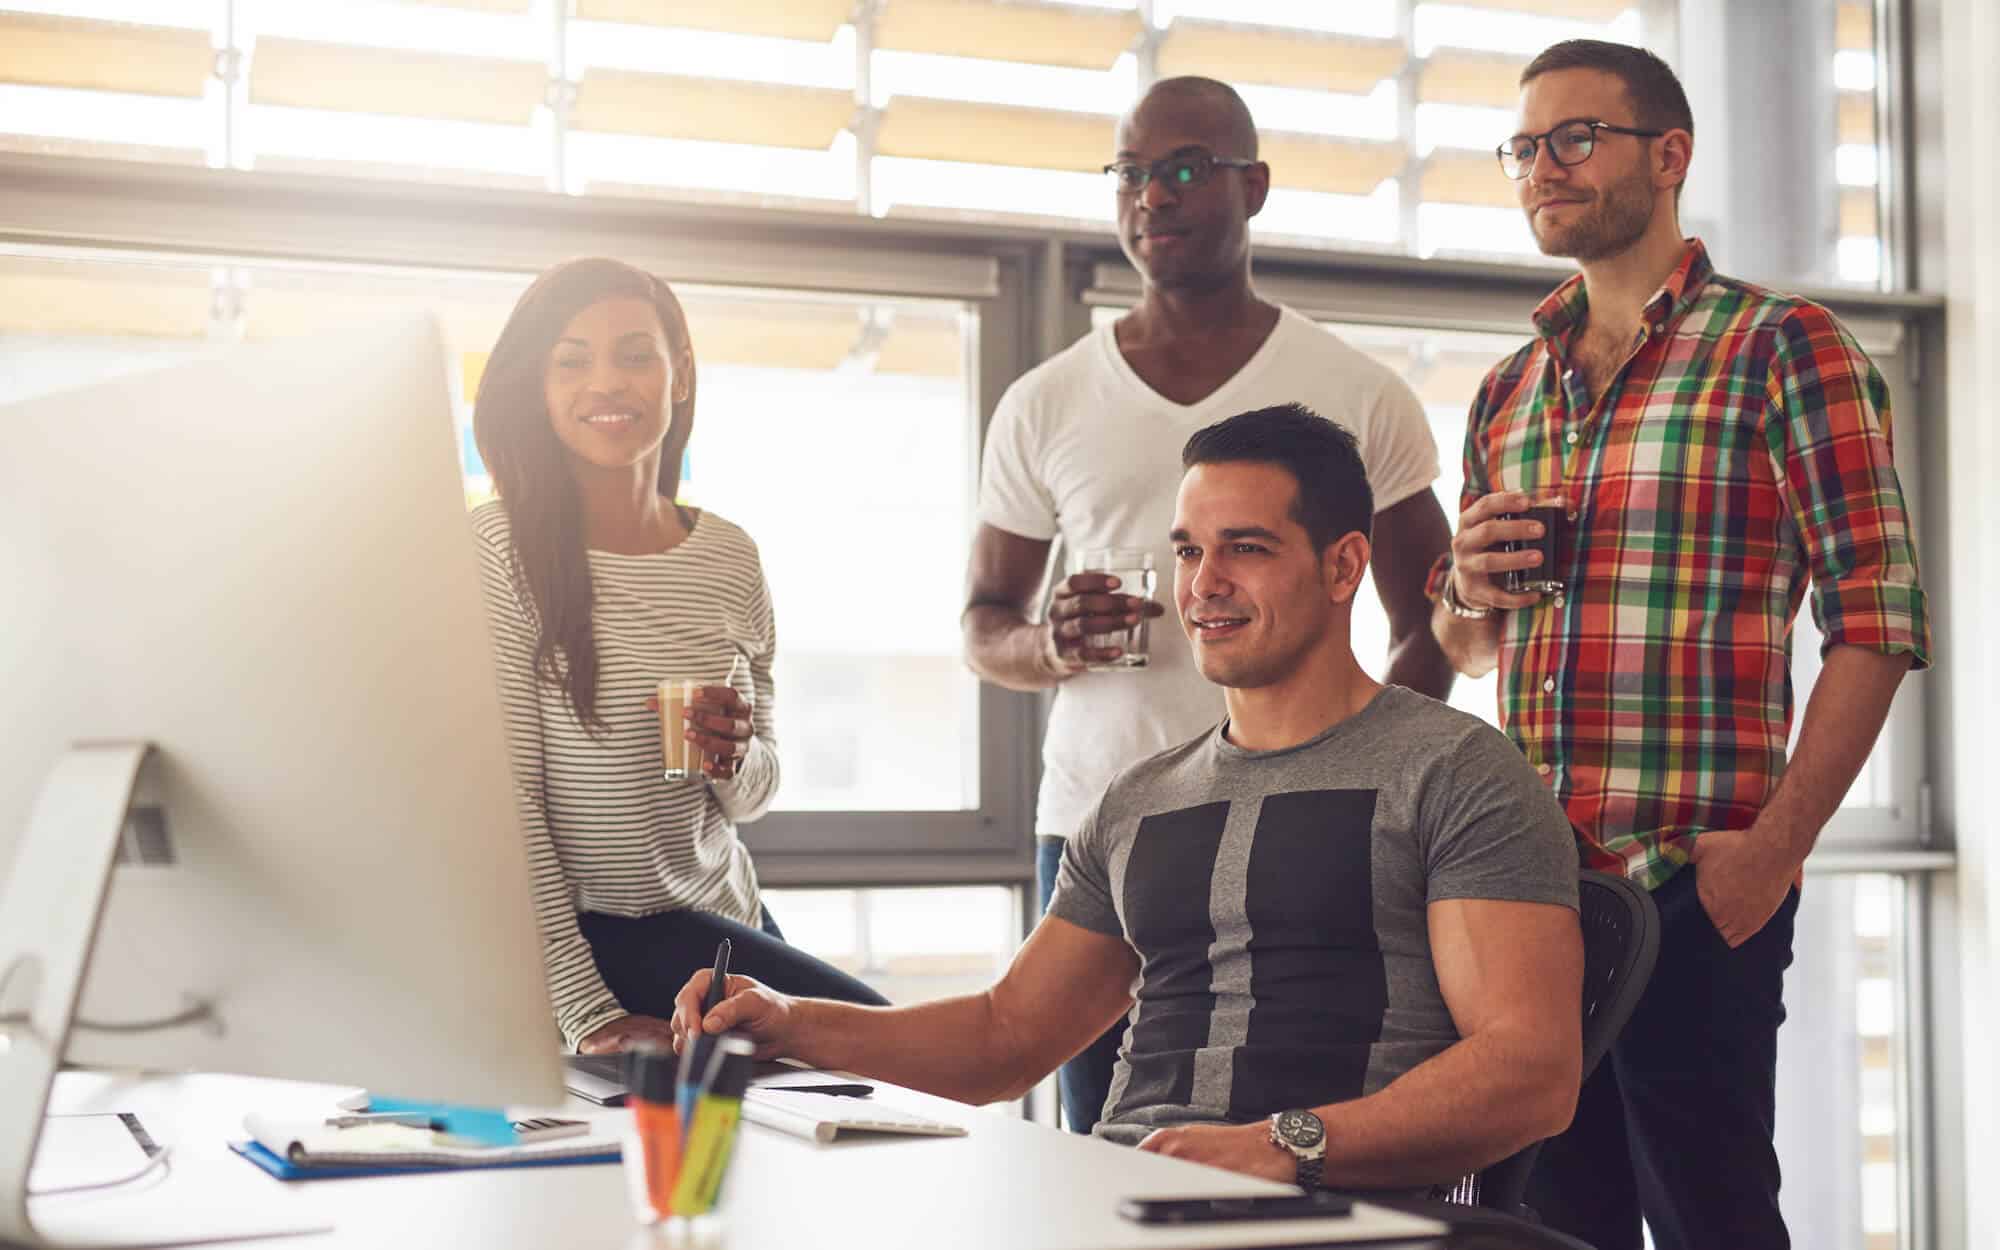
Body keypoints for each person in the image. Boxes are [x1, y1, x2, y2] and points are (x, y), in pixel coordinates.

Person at [683, 405, 1582, 1195]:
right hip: (1112, 1200)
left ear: (1345, 565)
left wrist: (1284, 1145)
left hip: (1323, 1210)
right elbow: (1005, 1037)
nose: (1202, 584)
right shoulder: (1137, 802)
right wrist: (793, 1024)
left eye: (1247, 548)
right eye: (1190, 549)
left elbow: (1532, 1070)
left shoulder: (1456, 771)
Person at [1429, 41, 1931, 1250]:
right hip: (1527, 898)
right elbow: (1468, 643)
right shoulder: (1509, 390)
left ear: (1668, 155)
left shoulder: (1782, 348)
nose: (1537, 169)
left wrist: (1773, 848)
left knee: (1711, 1222)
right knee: (1545, 1227)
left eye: (1571, 139)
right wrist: (1462, 584)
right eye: (1520, 148)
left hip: (1687, 887)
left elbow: (1876, 616)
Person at [965, 75, 1456, 1134]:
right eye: (1130, 174)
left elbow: (1430, 615)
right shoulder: (1045, 400)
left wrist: (1367, 763)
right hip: (1103, 826)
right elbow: (981, 620)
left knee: (1301, 1128)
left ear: (1255, 187)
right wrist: (1044, 643)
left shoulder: (1356, 390)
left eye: (1183, 169)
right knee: (1106, 1142)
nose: (1152, 196)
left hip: (1315, 827)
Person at [470, 257, 886, 1056]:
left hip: (723, 931)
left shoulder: (729, 556)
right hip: (601, 941)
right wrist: (584, 1010)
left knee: (872, 1084)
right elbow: (506, 802)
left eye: (635, 354)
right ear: (539, 386)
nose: (606, 383)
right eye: (571, 360)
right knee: (889, 1059)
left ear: (680, 374)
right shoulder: (499, 548)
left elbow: (754, 796)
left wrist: (730, 759)